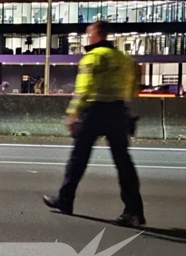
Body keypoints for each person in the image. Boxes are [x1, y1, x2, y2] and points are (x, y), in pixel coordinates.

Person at [43, 20, 146, 227]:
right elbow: (135, 85)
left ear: (97, 34)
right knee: (123, 163)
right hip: (118, 113)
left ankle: (65, 200)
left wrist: (73, 113)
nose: (87, 37)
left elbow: (83, 89)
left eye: (89, 33)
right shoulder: (125, 59)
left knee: (78, 158)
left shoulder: (92, 58)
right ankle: (134, 211)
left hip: (94, 112)